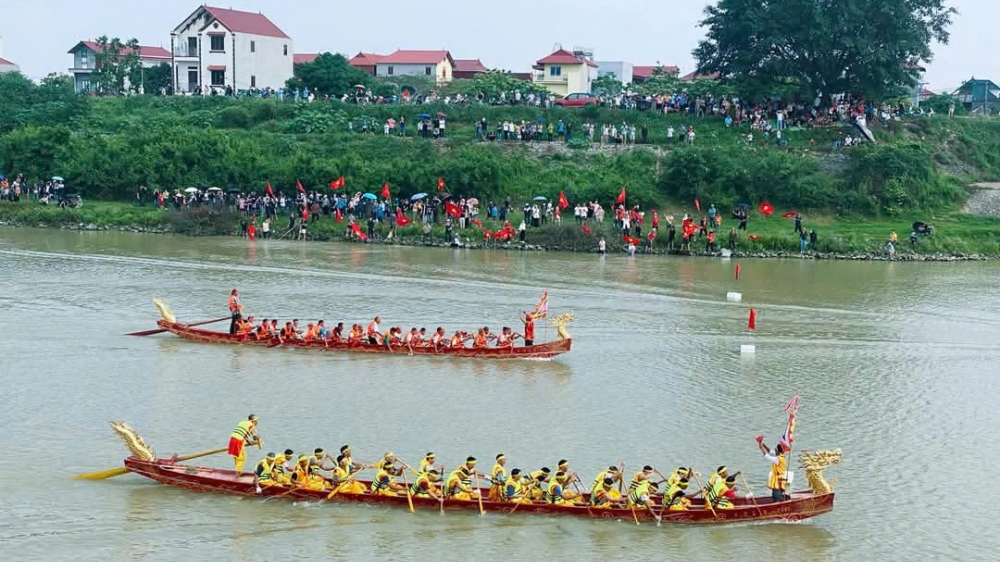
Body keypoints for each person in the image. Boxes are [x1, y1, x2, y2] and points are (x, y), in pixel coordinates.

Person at [757, 435, 790, 502]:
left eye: (776, 449)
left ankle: (778, 502)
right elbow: (771, 452)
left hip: (778, 481)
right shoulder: (780, 455)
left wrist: (761, 447)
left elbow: (767, 456)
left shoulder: (778, 459)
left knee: (776, 496)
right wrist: (763, 445)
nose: (774, 450)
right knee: (775, 494)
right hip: (779, 478)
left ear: (778, 451)